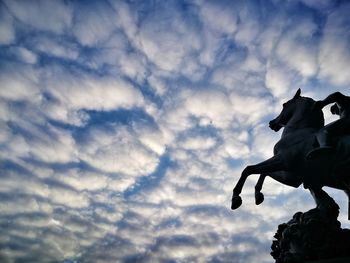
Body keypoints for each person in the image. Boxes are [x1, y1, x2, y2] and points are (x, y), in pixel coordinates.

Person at [306, 92, 350, 160]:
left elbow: (337, 95)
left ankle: (325, 149)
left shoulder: (345, 102)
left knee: (323, 131)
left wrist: (322, 103)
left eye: (335, 111)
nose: (335, 113)